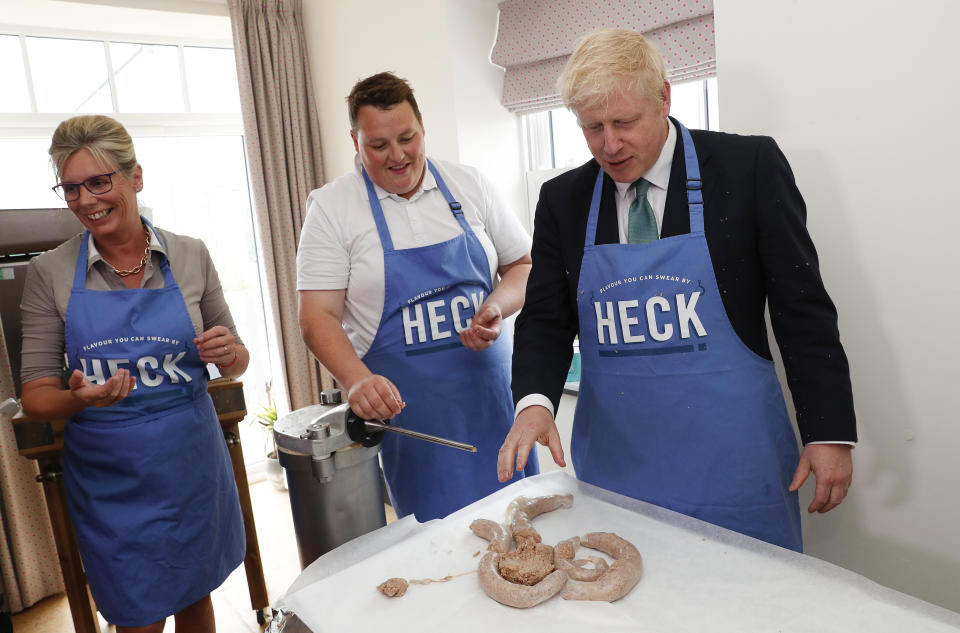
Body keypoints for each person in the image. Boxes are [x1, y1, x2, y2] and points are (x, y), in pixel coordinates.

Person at [497, 29, 857, 552]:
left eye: (624, 123)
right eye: (592, 128)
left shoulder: (747, 167)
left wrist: (827, 430)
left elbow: (801, 308)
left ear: (664, 97)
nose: (610, 145)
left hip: (735, 463)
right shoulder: (563, 200)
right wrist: (535, 402)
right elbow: (546, 318)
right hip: (618, 465)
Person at [19, 115, 248, 632]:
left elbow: (237, 356)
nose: (85, 200)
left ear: (135, 178)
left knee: (195, 596)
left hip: (191, 467)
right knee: (136, 615)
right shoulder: (49, 273)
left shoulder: (190, 254)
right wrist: (80, 399)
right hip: (112, 483)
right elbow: (35, 395)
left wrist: (227, 352)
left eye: (99, 182)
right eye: (71, 188)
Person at [297, 72, 538, 522]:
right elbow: (317, 316)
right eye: (378, 145)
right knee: (441, 559)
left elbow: (522, 266)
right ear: (355, 141)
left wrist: (496, 307)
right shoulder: (332, 208)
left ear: (422, 127)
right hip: (419, 434)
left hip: (496, 413)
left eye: (407, 138)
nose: (398, 156)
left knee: (527, 538)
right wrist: (357, 381)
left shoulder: (470, 185)